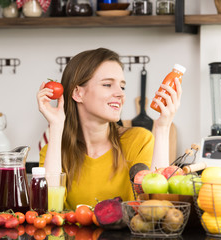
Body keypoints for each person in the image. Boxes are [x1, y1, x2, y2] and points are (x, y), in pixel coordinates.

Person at [37, 48, 182, 210]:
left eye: (122, 87)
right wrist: (56, 126)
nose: (120, 94)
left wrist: (162, 127)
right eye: (107, 84)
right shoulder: (54, 152)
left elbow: (156, 208)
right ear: (78, 93)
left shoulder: (139, 140)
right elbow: (49, 210)